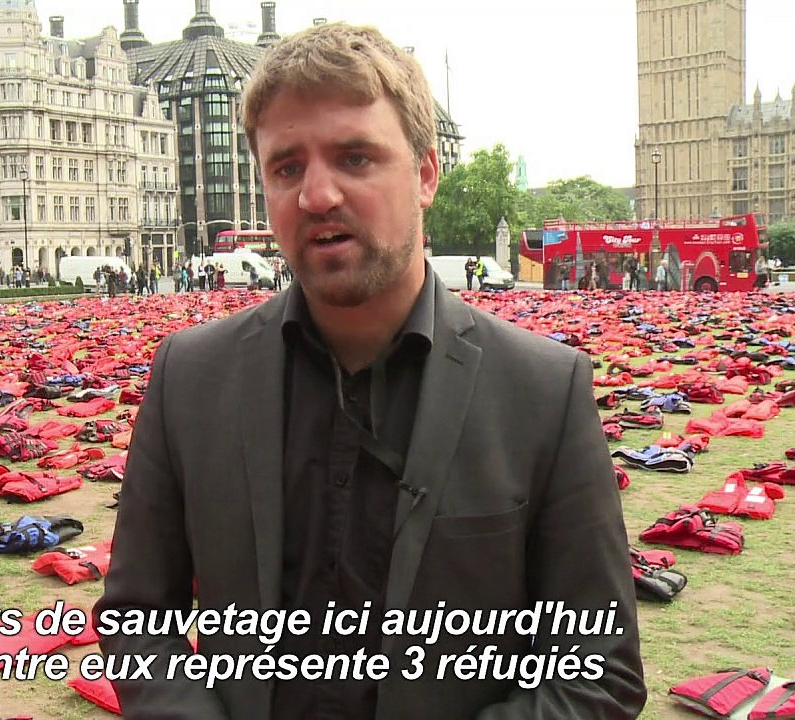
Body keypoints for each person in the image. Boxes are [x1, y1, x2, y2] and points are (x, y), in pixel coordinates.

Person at [95, 21, 645, 720]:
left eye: (355, 158)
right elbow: (141, 619)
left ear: (424, 174)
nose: (316, 195)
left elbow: (598, 674)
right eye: (287, 167)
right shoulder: (191, 377)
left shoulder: (542, 390)